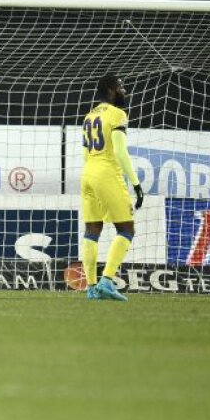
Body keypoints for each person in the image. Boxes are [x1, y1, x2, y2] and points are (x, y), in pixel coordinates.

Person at [80, 74, 144, 301]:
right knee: (126, 229)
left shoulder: (88, 116)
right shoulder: (117, 114)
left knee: (92, 230)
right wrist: (136, 184)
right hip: (107, 172)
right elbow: (119, 151)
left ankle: (90, 287)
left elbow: (85, 153)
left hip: (87, 173)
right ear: (109, 90)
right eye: (120, 87)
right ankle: (106, 281)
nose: (123, 91)